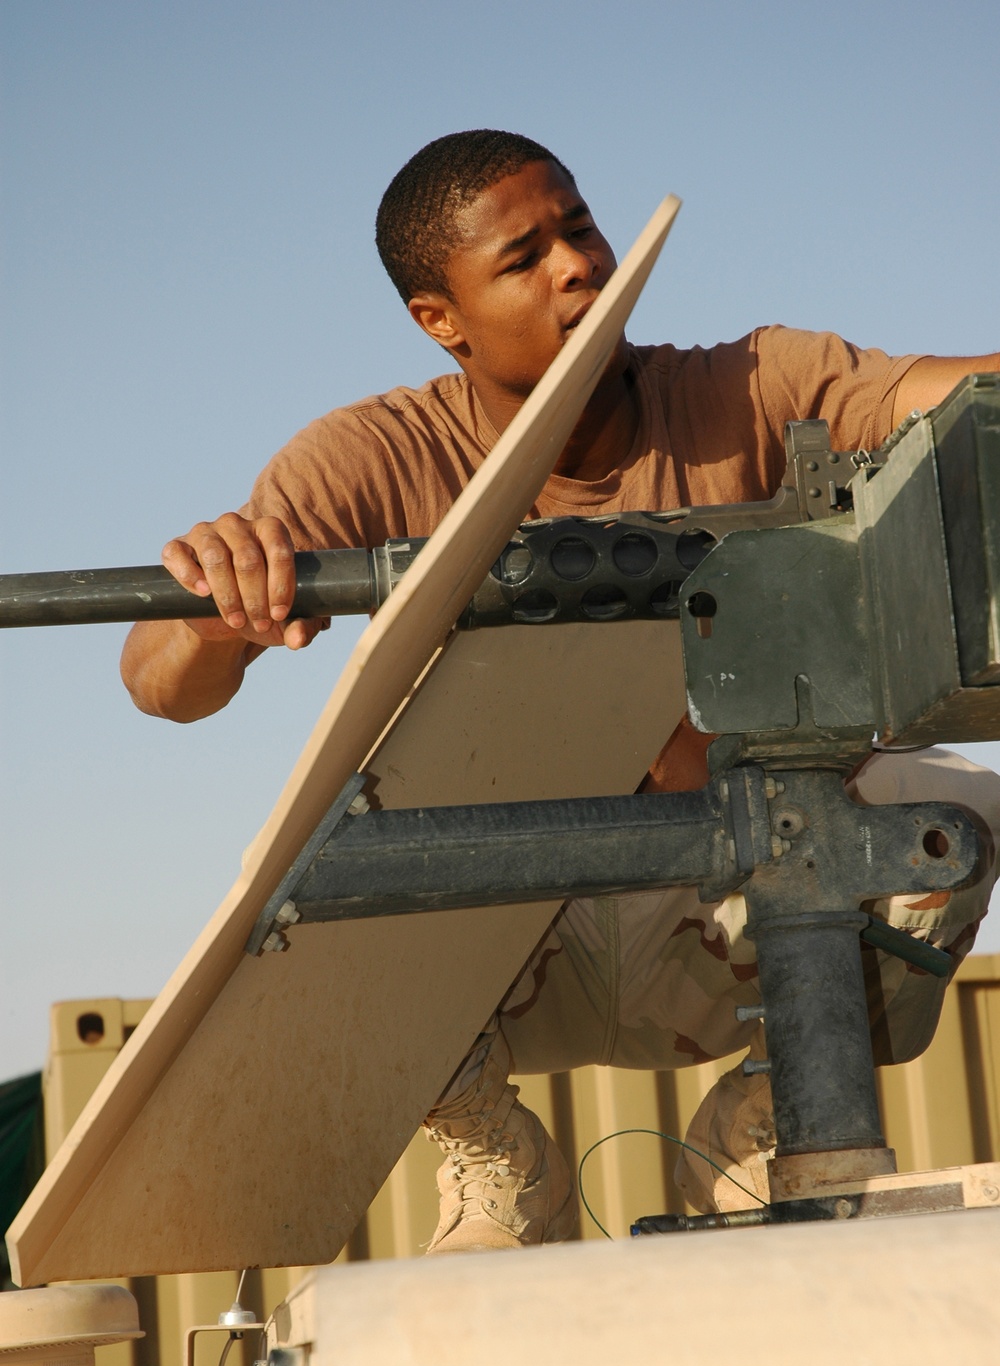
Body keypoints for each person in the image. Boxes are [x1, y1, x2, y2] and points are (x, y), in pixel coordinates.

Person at [121, 129, 1000, 1252]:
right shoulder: (374, 454)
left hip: (742, 904)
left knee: (956, 815)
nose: (577, 264)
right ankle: (500, 1158)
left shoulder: (752, 385)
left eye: (578, 227)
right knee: (311, 867)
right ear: (440, 318)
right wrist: (221, 598)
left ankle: (771, 1122)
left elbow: (952, 392)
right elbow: (160, 685)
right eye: (522, 257)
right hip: (502, 945)